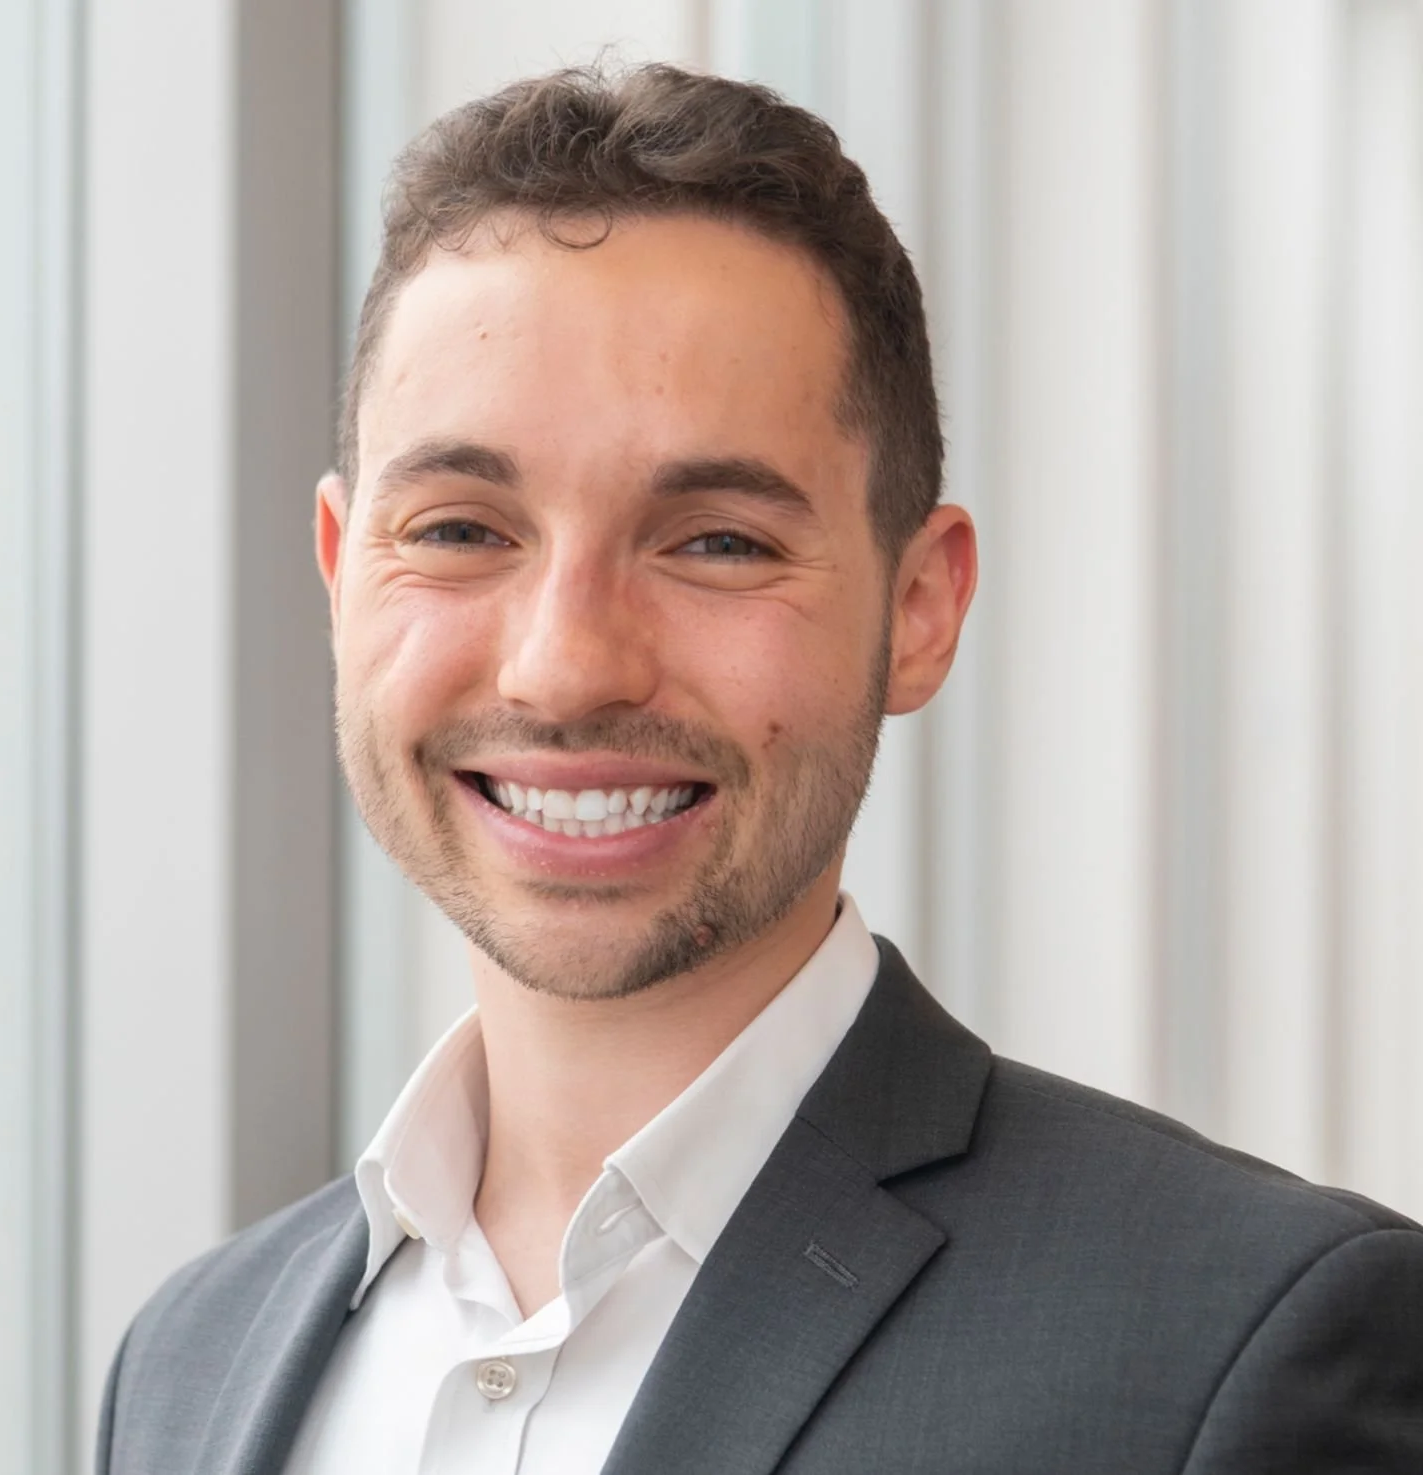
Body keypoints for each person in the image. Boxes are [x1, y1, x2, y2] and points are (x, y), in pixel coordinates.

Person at [95, 63, 1423, 1474]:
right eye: (462, 530)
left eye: (718, 541)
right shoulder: (188, 1362)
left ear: (921, 607)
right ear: (339, 573)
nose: (565, 666)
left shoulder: (1235, 1349)